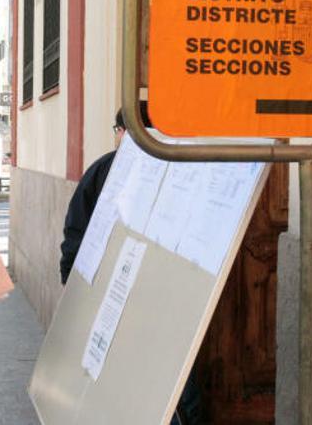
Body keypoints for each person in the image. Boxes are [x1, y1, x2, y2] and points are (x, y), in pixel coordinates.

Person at [57, 101, 201, 424]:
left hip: (118, 301)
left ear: (126, 132)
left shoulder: (102, 171)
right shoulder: (180, 172)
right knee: (174, 382)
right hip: (161, 301)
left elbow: (75, 236)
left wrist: (74, 290)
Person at [59, 101, 151, 284]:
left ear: (123, 131)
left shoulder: (101, 169)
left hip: (101, 278)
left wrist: (68, 275)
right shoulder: (170, 171)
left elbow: (77, 226)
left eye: (117, 129)